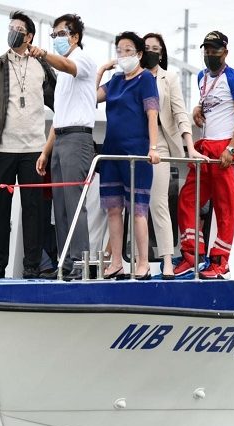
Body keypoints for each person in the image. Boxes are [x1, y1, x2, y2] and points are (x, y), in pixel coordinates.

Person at [0, 11, 56, 279]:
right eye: (10, 27)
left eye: (18, 28)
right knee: (0, 208)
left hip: (34, 149)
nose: (13, 31)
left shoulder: (42, 66)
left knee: (34, 210)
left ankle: (32, 265)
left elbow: (60, 99)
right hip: (3, 149)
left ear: (30, 36)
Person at [173, 30, 234, 280]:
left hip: (224, 149)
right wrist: (197, 108)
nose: (209, 54)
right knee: (188, 198)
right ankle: (191, 254)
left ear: (225, 52)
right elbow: (209, 102)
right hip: (205, 148)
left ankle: (220, 261)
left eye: (214, 50)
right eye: (206, 49)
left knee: (225, 207)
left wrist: (231, 148)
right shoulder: (201, 77)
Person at [30, 13, 96, 281]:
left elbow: (68, 65)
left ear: (75, 37)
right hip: (61, 140)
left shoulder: (82, 60)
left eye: (61, 34)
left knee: (74, 203)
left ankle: (82, 264)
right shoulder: (63, 73)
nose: (56, 38)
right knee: (61, 208)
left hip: (78, 139)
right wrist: (46, 151)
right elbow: (59, 119)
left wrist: (43, 53)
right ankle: (66, 263)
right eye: (53, 34)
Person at [96, 31, 161, 280]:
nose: (122, 55)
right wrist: (101, 70)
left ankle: (142, 263)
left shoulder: (145, 79)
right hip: (111, 152)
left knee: (138, 209)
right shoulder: (114, 80)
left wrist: (153, 148)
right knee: (113, 209)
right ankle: (116, 263)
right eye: (119, 50)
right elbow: (90, 98)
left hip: (136, 154)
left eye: (128, 51)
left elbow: (152, 114)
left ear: (139, 54)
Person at [143, 32, 207, 279]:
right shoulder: (131, 76)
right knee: (129, 204)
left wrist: (190, 147)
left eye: (155, 48)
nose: (151, 51)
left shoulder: (169, 77)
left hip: (159, 142)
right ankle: (128, 261)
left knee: (157, 201)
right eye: (146, 47)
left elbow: (180, 113)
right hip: (135, 141)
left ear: (162, 53)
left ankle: (167, 260)